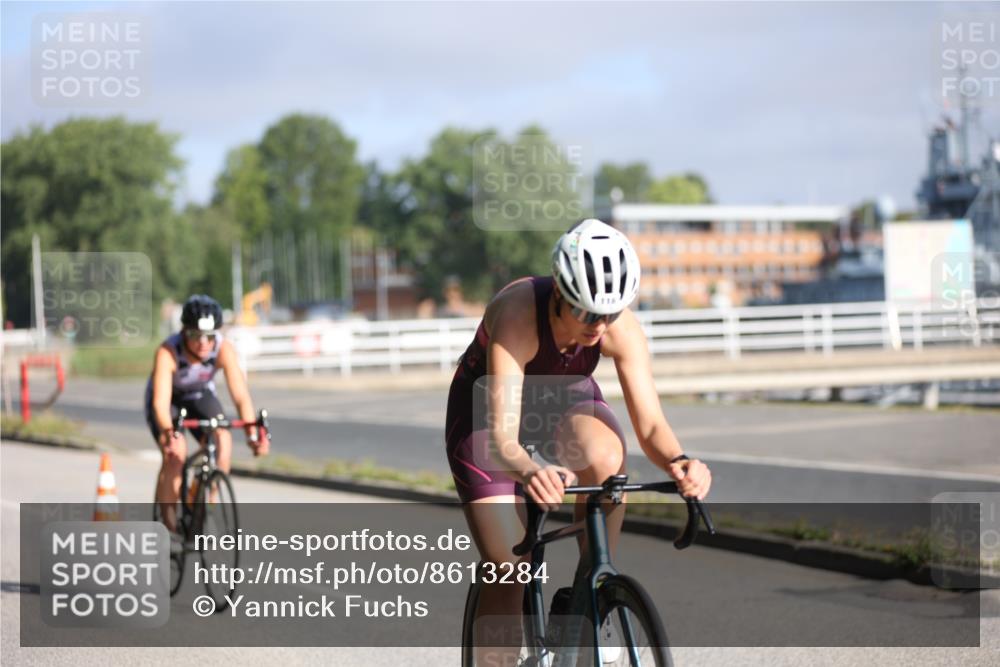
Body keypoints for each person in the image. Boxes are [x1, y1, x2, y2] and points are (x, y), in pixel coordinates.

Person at [445, 218, 712, 661]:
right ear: (560, 295)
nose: (598, 325)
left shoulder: (618, 327)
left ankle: (589, 596)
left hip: (563, 403)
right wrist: (532, 470)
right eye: (586, 312)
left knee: (607, 458)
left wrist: (679, 460)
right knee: (508, 569)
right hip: (487, 415)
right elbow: (502, 437)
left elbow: (649, 426)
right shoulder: (518, 314)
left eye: (609, 313)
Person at [145, 294, 269, 532]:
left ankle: (204, 504)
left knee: (223, 440)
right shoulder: (168, 352)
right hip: (169, 400)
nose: (203, 343)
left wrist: (253, 434)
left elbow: (241, 396)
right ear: (183, 333)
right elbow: (160, 403)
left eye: (210, 336)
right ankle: (169, 529)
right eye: (195, 336)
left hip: (199, 396)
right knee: (177, 453)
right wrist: (169, 433)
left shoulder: (223, 349)